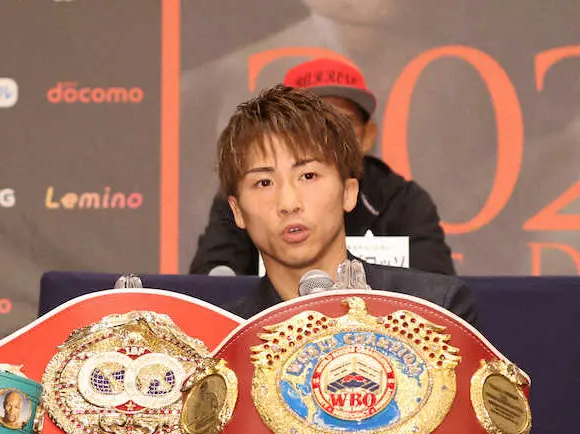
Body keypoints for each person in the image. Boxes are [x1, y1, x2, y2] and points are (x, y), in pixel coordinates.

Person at [215, 85, 485, 434]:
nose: (288, 202)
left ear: (348, 192)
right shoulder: (224, 341)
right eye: (264, 182)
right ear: (237, 210)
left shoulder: (434, 312)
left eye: (308, 176)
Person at [190, 58, 454, 276]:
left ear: (368, 136)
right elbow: (213, 280)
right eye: (311, 124)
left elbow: (435, 293)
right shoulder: (249, 194)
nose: (329, 136)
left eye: (343, 122)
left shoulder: (403, 200)